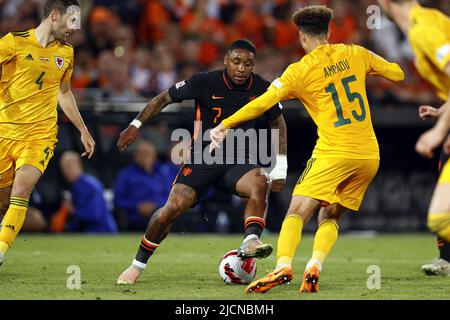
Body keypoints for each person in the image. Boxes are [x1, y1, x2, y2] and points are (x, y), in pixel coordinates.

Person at [210, 6, 404, 293]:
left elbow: (263, 103)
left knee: (297, 212)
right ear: (328, 32)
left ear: (301, 37)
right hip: (368, 155)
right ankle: (315, 265)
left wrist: (226, 123)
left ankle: (282, 267)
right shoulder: (355, 53)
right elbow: (398, 74)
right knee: (332, 215)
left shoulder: (299, 71)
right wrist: (369, 66)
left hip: (334, 151)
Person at [116, 39, 288, 284]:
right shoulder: (204, 82)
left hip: (238, 161)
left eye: (248, 64)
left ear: (253, 65)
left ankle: (250, 240)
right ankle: (136, 265)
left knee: (261, 180)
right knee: (172, 209)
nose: (242, 68)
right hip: (202, 159)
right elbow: (163, 98)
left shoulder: (262, 88)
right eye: (237, 62)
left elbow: (278, 122)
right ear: (226, 61)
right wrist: (136, 125)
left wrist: (280, 167)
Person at [0, 0, 96, 266]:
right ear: (55, 15)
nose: (76, 28)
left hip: (40, 135)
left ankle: (0, 250)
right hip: (5, 131)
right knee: (3, 201)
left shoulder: (66, 53)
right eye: (72, 20)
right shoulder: (13, 42)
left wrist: (83, 130)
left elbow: (63, 92)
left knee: (21, 190)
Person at [378, 0, 450, 275]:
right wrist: (442, 111)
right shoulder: (426, 22)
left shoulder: (424, 28)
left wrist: (438, 131)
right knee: (441, 217)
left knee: (442, 216)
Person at [113, 140, 174, 231]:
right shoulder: (126, 175)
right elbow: (118, 200)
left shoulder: (162, 174)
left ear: (154, 157)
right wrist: (136, 206)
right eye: (141, 154)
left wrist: (155, 206)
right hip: (134, 217)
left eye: (148, 154)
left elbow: (170, 196)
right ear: (135, 157)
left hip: (159, 215)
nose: (144, 157)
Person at [60, 151, 117, 233]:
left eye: (69, 167)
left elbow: (95, 214)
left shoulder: (91, 185)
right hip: (87, 233)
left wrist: (73, 211)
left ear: (79, 165)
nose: (65, 171)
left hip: (103, 232)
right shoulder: (72, 186)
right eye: (63, 168)